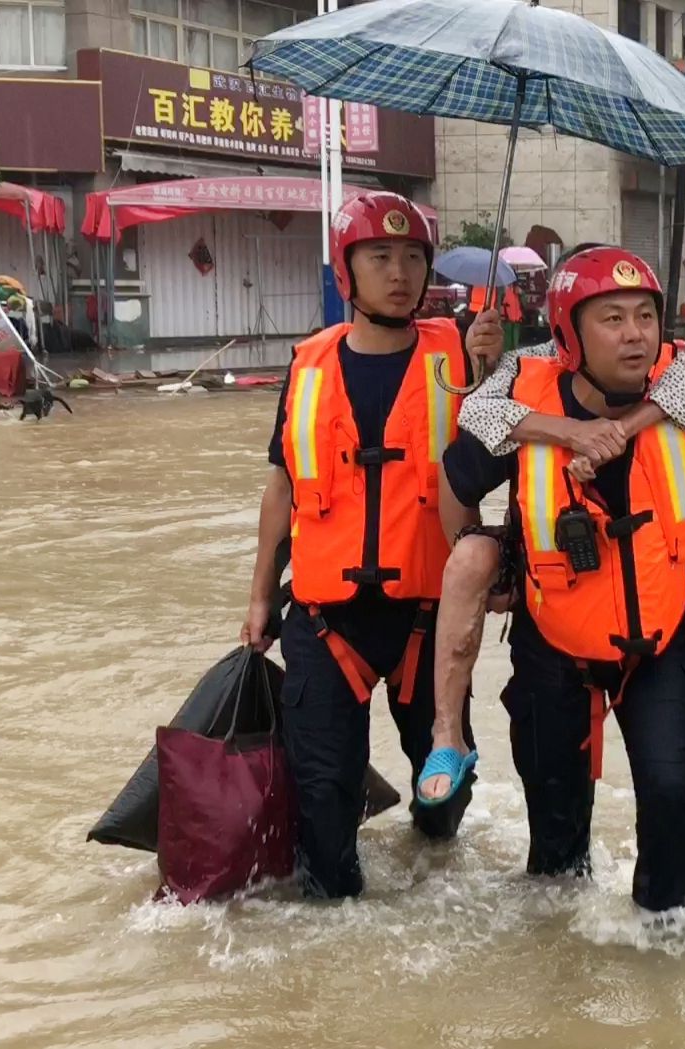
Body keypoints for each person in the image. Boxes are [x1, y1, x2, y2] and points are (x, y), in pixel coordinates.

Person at [435, 247, 685, 913]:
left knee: (671, 796)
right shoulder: (518, 406)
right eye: (611, 318)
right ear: (567, 334)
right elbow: (456, 483)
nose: (634, 333)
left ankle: (666, 942)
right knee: (555, 845)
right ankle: (563, 963)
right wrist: (489, 563)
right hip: (550, 642)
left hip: (656, 642)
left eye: (645, 315)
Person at [238, 190, 503, 899]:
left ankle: (429, 871)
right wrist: (261, 594)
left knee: (445, 793)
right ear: (344, 270)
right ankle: (337, 943)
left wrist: (489, 373)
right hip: (326, 619)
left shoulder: (463, 353)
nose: (400, 272)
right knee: (321, 800)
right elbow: (282, 486)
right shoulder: (307, 365)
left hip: (430, 617)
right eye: (380, 256)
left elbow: (509, 443)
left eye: (413, 257)